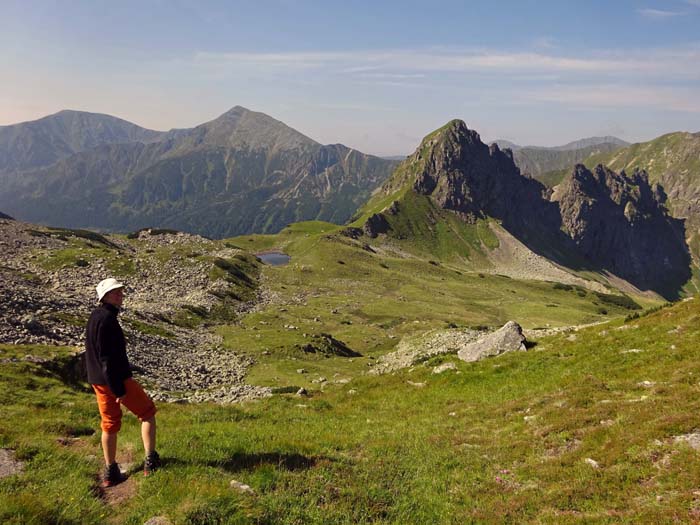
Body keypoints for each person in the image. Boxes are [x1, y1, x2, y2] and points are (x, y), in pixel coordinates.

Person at [85, 278, 160, 487]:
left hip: (98, 381)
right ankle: (150, 460)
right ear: (105, 297)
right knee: (147, 413)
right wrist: (118, 389)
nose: (119, 295)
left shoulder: (95, 316)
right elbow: (107, 358)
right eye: (114, 292)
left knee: (109, 424)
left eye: (119, 291)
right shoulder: (108, 320)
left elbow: (95, 353)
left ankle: (110, 471)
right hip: (116, 381)